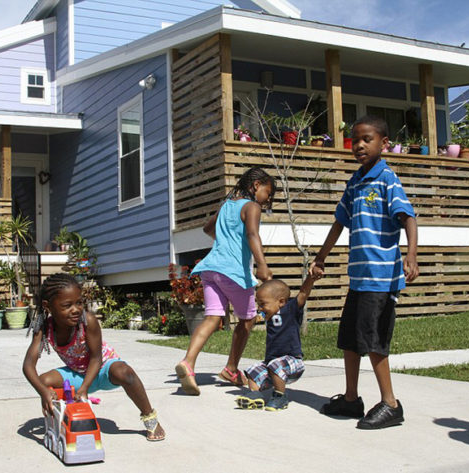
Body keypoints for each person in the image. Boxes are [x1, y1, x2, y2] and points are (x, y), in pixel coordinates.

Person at [309, 115, 419, 430]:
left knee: (372, 341)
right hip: (359, 278)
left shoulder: (388, 179)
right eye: (355, 139)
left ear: (384, 144)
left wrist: (411, 255)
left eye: (366, 139)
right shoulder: (355, 182)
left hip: (381, 277)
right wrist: (320, 257)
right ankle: (351, 398)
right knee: (349, 340)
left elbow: (408, 218)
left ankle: (390, 403)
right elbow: (339, 222)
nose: (358, 145)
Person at [22, 273, 165, 441]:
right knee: (44, 381)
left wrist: (84, 388)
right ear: (48, 306)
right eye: (67, 305)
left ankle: (150, 419)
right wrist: (43, 392)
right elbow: (28, 366)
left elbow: (96, 358)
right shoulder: (44, 329)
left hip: (103, 369)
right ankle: (56, 424)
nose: (75, 309)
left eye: (79, 303)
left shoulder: (87, 321)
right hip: (77, 373)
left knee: (125, 372)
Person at [175, 167, 276, 395]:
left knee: (212, 318)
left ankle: (188, 362)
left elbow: (208, 228)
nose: (267, 199)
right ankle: (231, 368)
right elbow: (252, 234)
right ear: (256, 185)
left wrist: (225, 237)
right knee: (248, 319)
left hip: (211, 269)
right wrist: (262, 265)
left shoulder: (226, 205)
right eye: (267, 193)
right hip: (234, 272)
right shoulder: (252, 206)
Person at [235, 275, 316, 411]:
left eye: (263, 304)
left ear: (281, 301)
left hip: (293, 362)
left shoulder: (290, 310)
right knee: (253, 370)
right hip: (273, 364)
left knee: (274, 364)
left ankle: (280, 397)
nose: (260, 307)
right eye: (258, 304)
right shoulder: (269, 315)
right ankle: (255, 395)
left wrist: (311, 278)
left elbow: (303, 293)